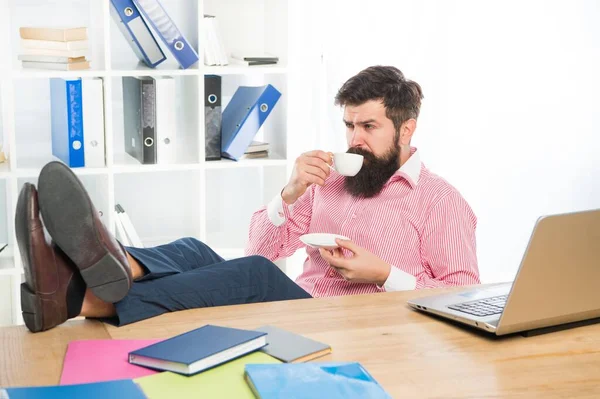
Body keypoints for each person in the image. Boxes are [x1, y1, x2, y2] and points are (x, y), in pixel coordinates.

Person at [17, 66, 480, 333]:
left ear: (407, 129)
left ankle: (80, 297)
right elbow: (261, 248)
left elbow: (464, 295)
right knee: (197, 250)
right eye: (349, 126)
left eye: (368, 127)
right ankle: (115, 264)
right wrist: (290, 191)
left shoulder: (440, 202)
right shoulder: (332, 182)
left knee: (255, 277)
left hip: (356, 326)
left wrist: (383, 274)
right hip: (309, 303)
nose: (353, 140)